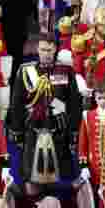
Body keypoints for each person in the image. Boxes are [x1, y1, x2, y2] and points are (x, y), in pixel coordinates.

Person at [8, 33, 82, 183]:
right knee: (31, 175)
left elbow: (74, 103)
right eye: (42, 50)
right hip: (33, 127)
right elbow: (17, 103)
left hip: (58, 127)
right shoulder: (25, 71)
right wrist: (17, 130)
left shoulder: (66, 70)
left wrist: (74, 131)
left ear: (54, 49)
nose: (45, 54)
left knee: (61, 176)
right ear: (37, 49)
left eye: (48, 50)